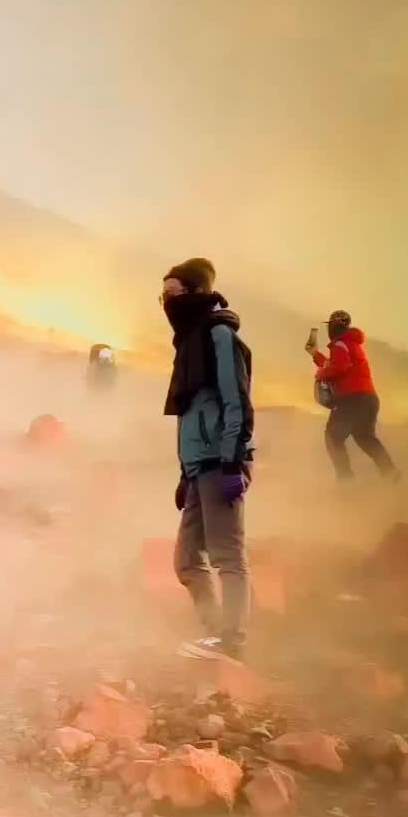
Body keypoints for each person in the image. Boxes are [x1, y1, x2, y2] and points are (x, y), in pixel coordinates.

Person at [161, 257, 254, 660]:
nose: (167, 303)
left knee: (227, 556)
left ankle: (231, 641)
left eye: (174, 294)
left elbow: (236, 401)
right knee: (186, 562)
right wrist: (185, 472)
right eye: (162, 296)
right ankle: (216, 633)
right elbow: (192, 415)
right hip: (199, 467)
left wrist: (233, 460)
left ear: (197, 293)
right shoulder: (189, 344)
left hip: (221, 461)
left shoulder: (219, 336)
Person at [306, 311, 398, 481]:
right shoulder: (350, 343)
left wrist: (320, 375)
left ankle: (346, 480)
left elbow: (339, 367)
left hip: (352, 399)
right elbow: (335, 364)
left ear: (334, 326)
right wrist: (315, 355)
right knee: (365, 438)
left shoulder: (340, 344)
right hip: (368, 399)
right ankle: (392, 475)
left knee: (333, 436)